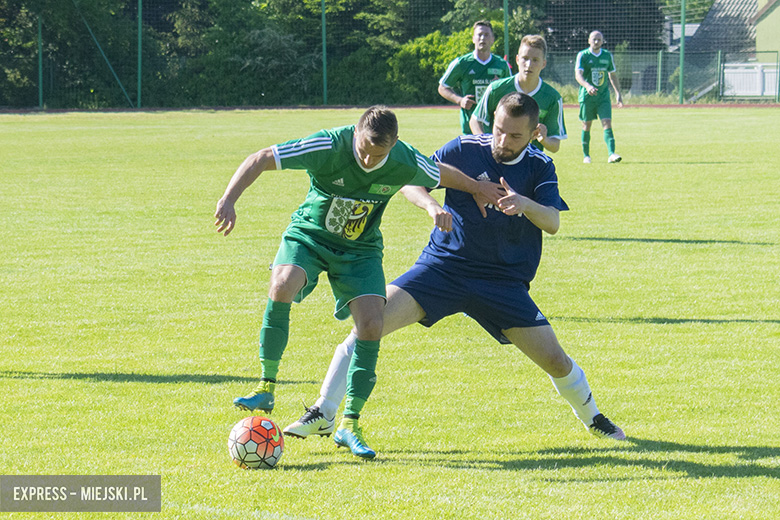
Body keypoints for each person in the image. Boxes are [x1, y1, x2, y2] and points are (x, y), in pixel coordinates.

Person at [283, 93, 626, 459]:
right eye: (497, 130)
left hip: (501, 282)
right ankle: (324, 411)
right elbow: (410, 182)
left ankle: (593, 418)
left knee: (555, 360)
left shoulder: (540, 166)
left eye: (513, 137)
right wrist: (431, 204)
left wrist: (524, 205)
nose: (501, 142)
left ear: (533, 134)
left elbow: (553, 222)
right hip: (443, 268)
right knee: (371, 323)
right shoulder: (462, 148)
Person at [214, 106, 504, 460]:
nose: (368, 157)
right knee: (282, 284)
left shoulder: (404, 159)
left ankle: (349, 424)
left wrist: (476, 187)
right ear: (356, 132)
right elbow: (262, 158)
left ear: (394, 144)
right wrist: (229, 199)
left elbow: (440, 173)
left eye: (378, 153)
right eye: (364, 147)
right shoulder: (327, 145)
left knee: (371, 324)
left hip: (360, 250)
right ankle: (265, 387)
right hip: (310, 237)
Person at [470, 35, 566, 153]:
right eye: (525, 58)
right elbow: (475, 120)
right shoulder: (496, 89)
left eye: (535, 60)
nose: (529, 64)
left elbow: (555, 146)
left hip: (530, 165)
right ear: (517, 59)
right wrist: (487, 146)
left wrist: (544, 139)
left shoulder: (552, 97)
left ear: (544, 64)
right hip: (498, 158)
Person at [438, 20, 512, 135]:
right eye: (479, 35)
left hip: (496, 127)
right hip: (469, 128)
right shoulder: (461, 63)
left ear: (492, 39)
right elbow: (443, 87)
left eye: (486, 35)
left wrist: (499, 88)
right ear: (473, 38)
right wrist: (460, 100)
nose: (482, 38)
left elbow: (511, 93)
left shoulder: (502, 65)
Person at [575, 31, 624, 164]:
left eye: (599, 40)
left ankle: (612, 154)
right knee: (586, 125)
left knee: (607, 123)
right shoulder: (583, 55)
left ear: (602, 41)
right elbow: (578, 75)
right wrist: (587, 86)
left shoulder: (607, 55)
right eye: (594, 39)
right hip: (587, 97)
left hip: (603, 97)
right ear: (589, 40)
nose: (596, 42)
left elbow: (612, 75)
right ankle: (586, 155)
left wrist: (618, 93)